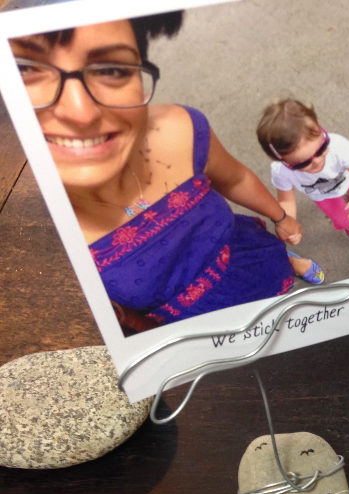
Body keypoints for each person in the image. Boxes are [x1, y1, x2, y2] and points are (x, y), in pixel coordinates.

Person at [11, 13, 325, 330]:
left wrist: (281, 218)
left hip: (242, 259)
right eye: (25, 70)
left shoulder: (180, 129)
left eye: (111, 69)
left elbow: (235, 178)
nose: (81, 112)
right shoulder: (29, 252)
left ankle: (289, 261)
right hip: (191, 323)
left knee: (275, 271)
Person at [256, 98, 349, 240]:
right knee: (344, 218)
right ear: (282, 161)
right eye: (302, 164)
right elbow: (286, 200)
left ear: (319, 129)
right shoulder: (281, 171)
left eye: (321, 149)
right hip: (323, 196)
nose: (317, 161)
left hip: (347, 180)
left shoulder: (338, 147)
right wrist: (289, 224)